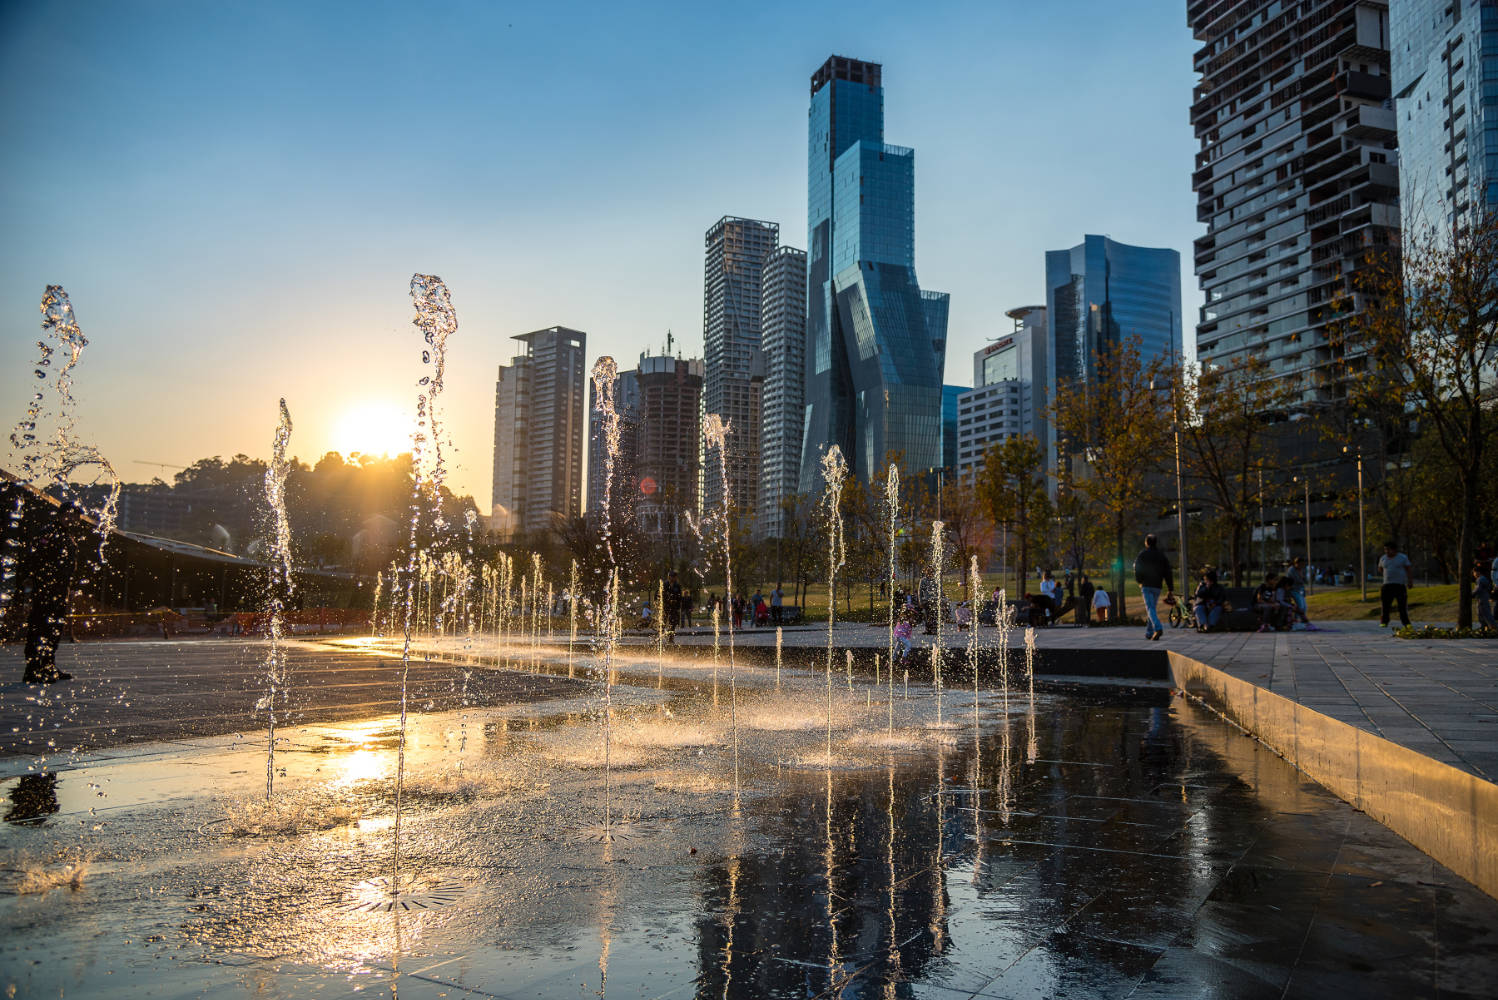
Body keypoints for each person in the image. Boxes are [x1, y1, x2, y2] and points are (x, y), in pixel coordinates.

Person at [1133, 533, 1175, 641]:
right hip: (1157, 586)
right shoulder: (1161, 556)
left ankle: (1158, 628)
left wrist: (1139, 581)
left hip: (1146, 585)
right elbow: (1168, 572)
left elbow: (1137, 568)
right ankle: (1149, 632)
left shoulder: (1143, 554)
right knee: (1152, 608)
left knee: (1150, 608)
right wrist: (1170, 588)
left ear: (1146, 542)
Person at [1377, 540, 1412, 628]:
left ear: (1394, 550)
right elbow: (1380, 568)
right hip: (1387, 585)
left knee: (1402, 606)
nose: (1387, 552)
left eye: (1389, 550)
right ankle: (1384, 622)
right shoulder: (1383, 558)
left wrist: (1410, 581)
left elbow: (1408, 569)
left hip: (1399, 585)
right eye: (1385, 550)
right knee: (1385, 605)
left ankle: (1406, 623)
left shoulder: (1402, 557)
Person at [1283, 556, 1315, 630]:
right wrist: (1301, 576)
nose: (1301, 566)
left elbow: (1304, 580)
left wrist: (1302, 576)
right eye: (1300, 564)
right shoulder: (1291, 570)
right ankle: (1296, 620)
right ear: (1296, 563)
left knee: (1304, 606)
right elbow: (1296, 580)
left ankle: (1302, 620)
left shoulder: (1301, 570)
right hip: (1294, 589)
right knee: (1300, 606)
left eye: (1302, 564)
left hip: (1301, 590)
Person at [1474, 563, 1496, 631]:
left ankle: (1493, 627)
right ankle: (1484, 627)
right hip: (1482, 598)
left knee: (1485, 613)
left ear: (1478, 572)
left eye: (1474, 572)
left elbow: (1478, 589)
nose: (1474, 574)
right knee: (1481, 614)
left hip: (1482, 599)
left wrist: (1472, 594)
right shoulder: (1483, 579)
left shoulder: (1480, 579)